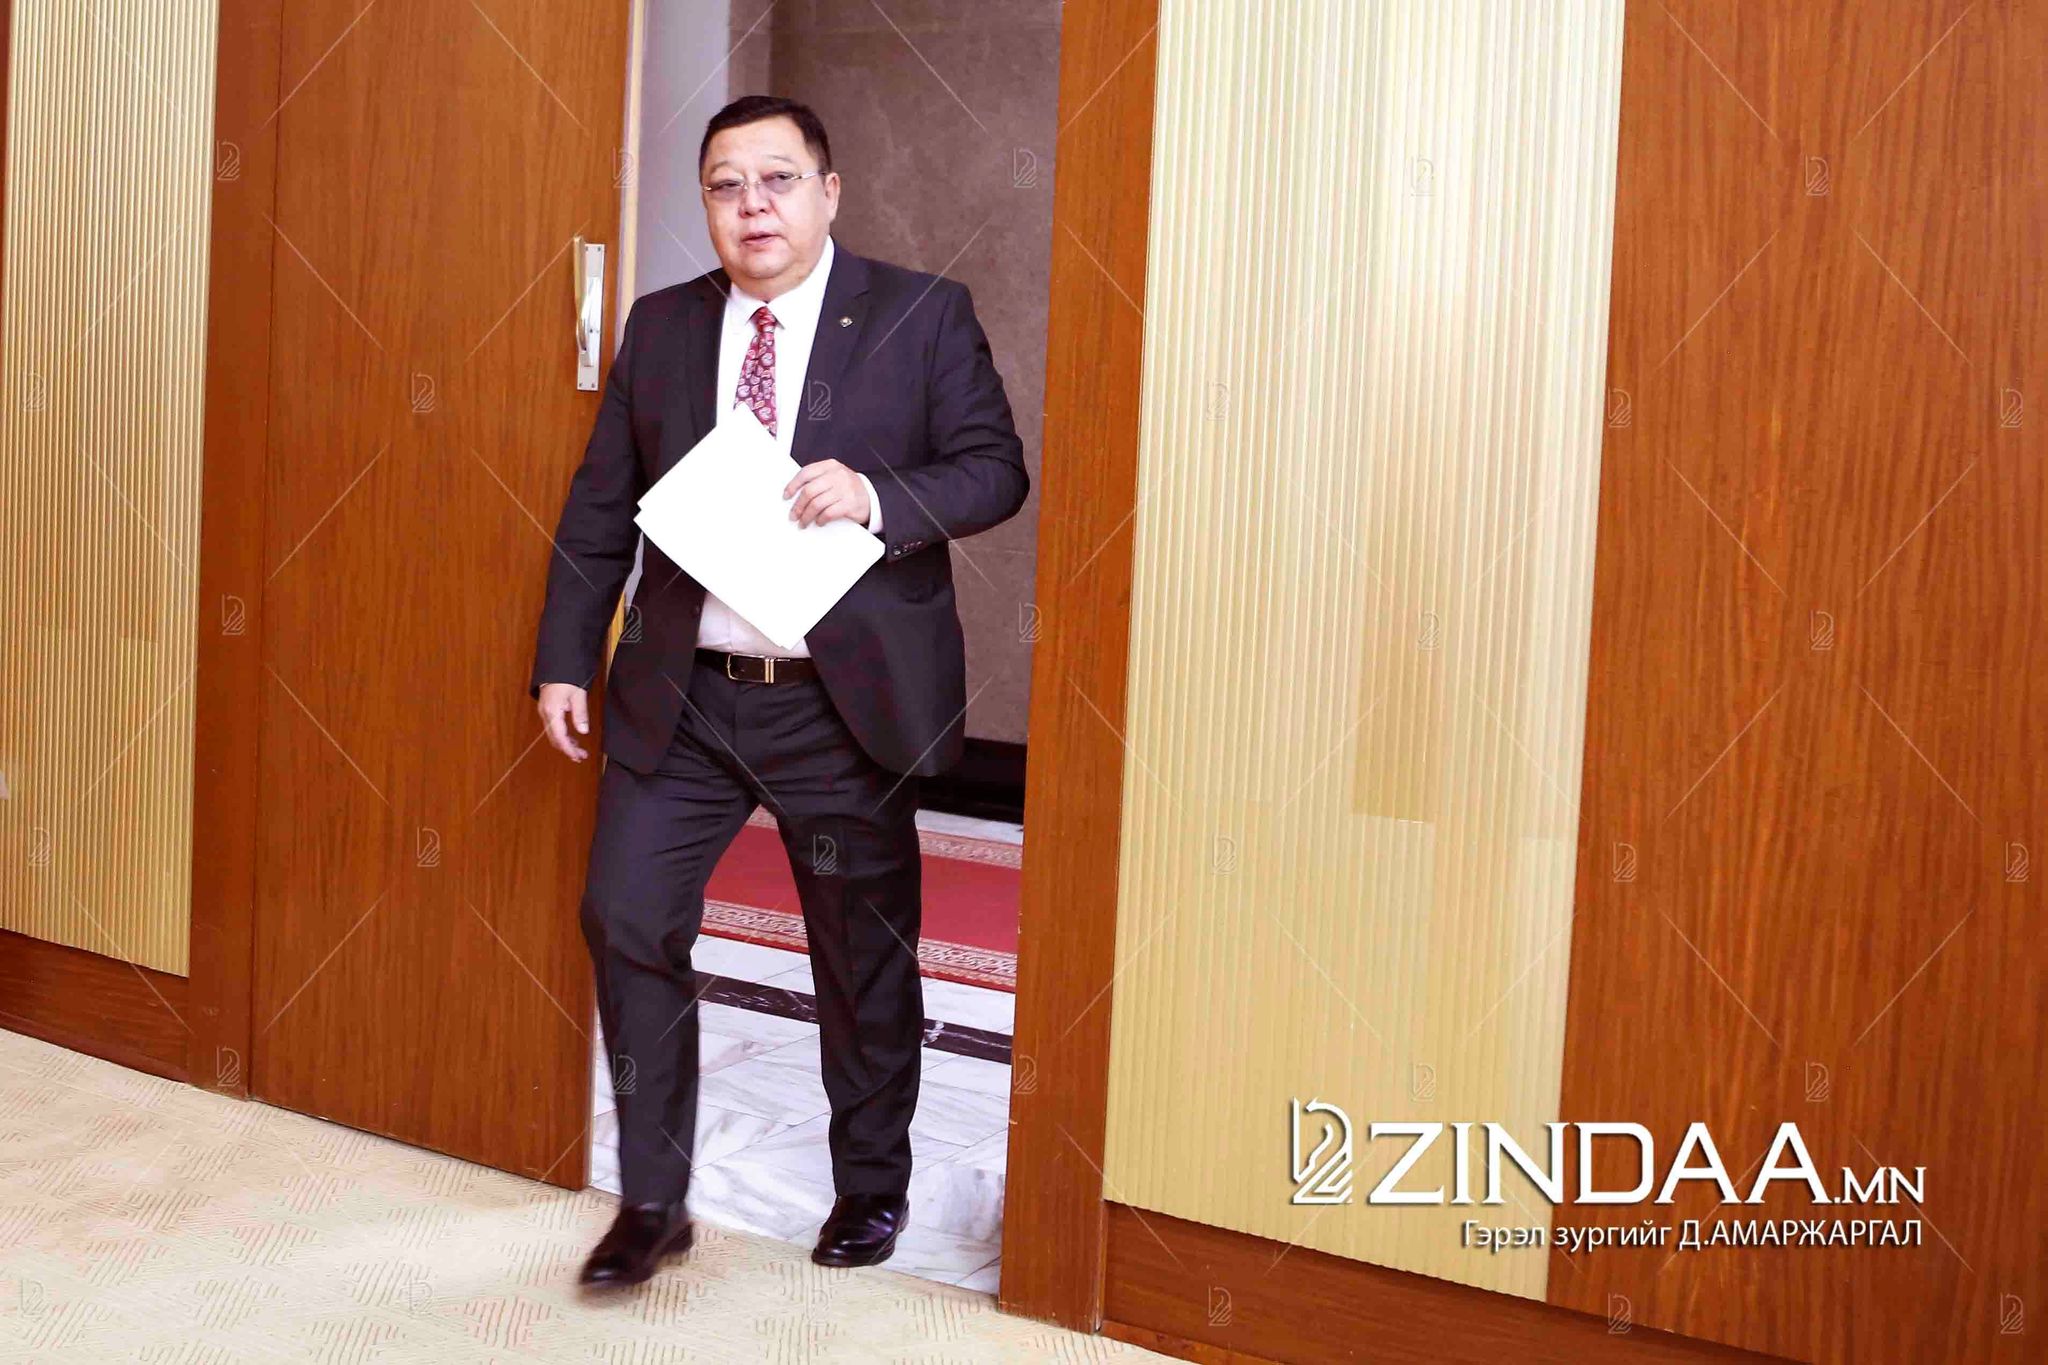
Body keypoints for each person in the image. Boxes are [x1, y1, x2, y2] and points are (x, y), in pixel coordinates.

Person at [529, 94, 1029, 1287]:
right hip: (684, 697)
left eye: (777, 179)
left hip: (839, 708)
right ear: (706, 203)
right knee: (625, 917)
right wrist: (561, 657)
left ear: (827, 191)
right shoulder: (661, 326)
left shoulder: (920, 313)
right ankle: (653, 1201)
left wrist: (879, 497)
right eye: (724, 185)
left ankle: (871, 1186)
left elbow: (995, 470)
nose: (752, 206)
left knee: (859, 957)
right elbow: (600, 506)